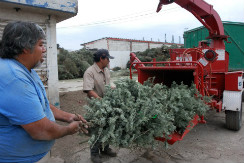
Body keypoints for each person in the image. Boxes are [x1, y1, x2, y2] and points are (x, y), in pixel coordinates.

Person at [0, 21, 88, 163]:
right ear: (25, 48)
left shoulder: (27, 71)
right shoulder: (14, 78)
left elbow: (44, 106)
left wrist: (69, 117)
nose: (44, 49)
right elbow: (41, 130)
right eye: (40, 44)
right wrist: (68, 129)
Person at [83, 49, 117, 163]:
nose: (109, 61)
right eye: (108, 59)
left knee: (107, 126)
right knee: (96, 129)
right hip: (95, 107)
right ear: (102, 58)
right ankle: (94, 154)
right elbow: (89, 91)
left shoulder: (106, 70)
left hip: (107, 104)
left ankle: (105, 148)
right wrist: (100, 101)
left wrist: (113, 88)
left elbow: (108, 84)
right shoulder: (90, 72)